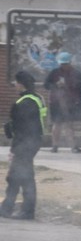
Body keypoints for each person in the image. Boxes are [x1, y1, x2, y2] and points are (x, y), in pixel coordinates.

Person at [1, 71, 47, 219]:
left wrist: (14, 149)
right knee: (16, 176)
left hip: (24, 143)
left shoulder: (23, 103)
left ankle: (26, 211)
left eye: (15, 82)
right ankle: (7, 208)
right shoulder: (38, 98)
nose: (14, 85)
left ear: (21, 84)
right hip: (34, 141)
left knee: (23, 176)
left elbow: (21, 129)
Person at [44, 51, 81, 153]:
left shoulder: (76, 73)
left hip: (70, 102)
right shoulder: (54, 73)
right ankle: (55, 146)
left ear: (70, 63)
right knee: (57, 123)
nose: (64, 66)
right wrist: (55, 85)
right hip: (56, 102)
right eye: (62, 64)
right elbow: (46, 85)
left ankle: (73, 146)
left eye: (65, 64)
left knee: (69, 124)